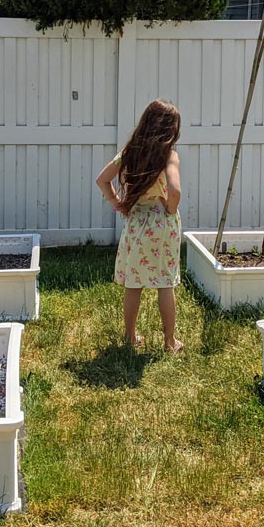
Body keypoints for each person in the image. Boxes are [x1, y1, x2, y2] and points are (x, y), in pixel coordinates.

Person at [95, 99, 184, 353]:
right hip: (161, 220)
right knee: (165, 282)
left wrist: (119, 204)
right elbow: (175, 190)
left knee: (134, 282)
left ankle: (130, 336)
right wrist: (170, 207)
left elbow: (102, 180)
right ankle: (169, 341)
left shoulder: (130, 151)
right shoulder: (169, 156)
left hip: (137, 219)